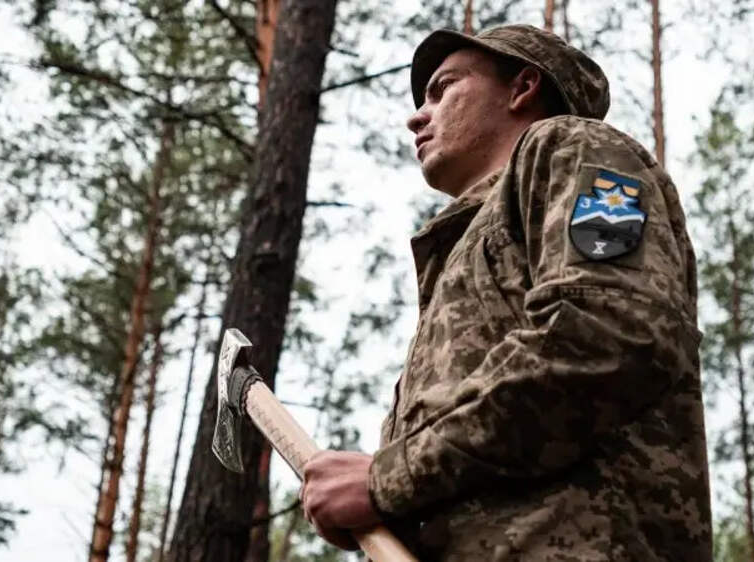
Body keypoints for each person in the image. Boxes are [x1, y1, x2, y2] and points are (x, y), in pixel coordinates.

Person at [300, 24, 711, 561]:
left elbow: (610, 332)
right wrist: (387, 508)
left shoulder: (574, 149)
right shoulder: (459, 254)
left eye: (443, 88)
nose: (416, 117)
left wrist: (388, 478)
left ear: (522, 88)